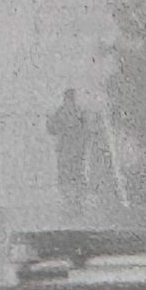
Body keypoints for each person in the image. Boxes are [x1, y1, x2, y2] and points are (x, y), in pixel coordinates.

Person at [48, 88, 95, 216]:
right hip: (72, 150)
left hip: (69, 150)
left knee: (69, 174)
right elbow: (87, 131)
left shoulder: (64, 112)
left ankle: (72, 202)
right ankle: (74, 202)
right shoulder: (77, 112)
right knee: (73, 174)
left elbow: (51, 128)